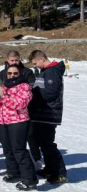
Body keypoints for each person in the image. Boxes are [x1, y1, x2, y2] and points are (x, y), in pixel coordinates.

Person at [0, 64, 38, 190]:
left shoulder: (24, 87)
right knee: (7, 149)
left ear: (20, 74)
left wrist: (3, 96)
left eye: (15, 73)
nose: (12, 75)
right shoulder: (3, 86)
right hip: (2, 121)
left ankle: (30, 179)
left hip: (18, 121)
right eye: (10, 73)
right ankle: (13, 172)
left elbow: (20, 104)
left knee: (19, 150)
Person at [0, 50, 40, 170]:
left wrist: (6, 97)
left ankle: (36, 160)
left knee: (27, 140)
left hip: (23, 113)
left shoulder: (27, 72)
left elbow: (28, 92)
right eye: (12, 60)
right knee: (8, 147)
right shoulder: (2, 74)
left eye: (16, 60)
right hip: (5, 118)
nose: (14, 62)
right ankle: (13, 171)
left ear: (20, 59)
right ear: (7, 60)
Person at [28, 50, 67, 184]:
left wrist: (33, 93)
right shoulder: (45, 72)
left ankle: (59, 173)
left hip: (49, 114)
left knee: (48, 144)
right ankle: (50, 169)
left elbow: (51, 93)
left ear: (41, 59)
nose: (35, 66)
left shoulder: (52, 72)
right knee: (43, 144)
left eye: (35, 64)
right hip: (42, 114)